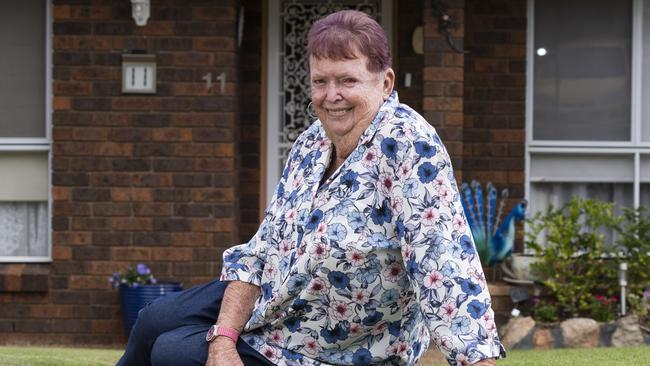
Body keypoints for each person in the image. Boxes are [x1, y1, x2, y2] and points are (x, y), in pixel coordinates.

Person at [116, 10, 505, 366]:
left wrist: (476, 357)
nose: (331, 96)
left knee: (174, 352)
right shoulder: (311, 142)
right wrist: (224, 339)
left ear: (385, 82)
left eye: (347, 80)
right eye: (321, 81)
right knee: (153, 320)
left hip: (330, 342)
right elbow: (264, 246)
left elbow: (444, 259)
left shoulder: (409, 145)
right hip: (276, 295)